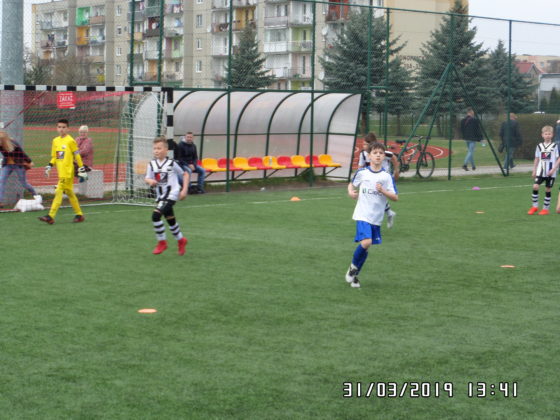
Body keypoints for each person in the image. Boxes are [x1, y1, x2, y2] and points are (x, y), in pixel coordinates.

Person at [345, 142, 398, 288]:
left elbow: (395, 197)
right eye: (375, 153)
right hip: (363, 214)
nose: (378, 155)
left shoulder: (386, 177)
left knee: (366, 248)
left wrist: (383, 191)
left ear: (384, 157)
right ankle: (352, 267)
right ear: (369, 156)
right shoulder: (362, 173)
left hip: (377, 218)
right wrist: (350, 192)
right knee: (366, 242)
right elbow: (351, 184)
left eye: (381, 153)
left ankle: (355, 276)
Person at [38, 119, 88, 224]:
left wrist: (81, 168)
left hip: (68, 172)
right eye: (59, 127)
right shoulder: (55, 141)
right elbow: (56, 156)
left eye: (64, 127)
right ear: (57, 128)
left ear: (68, 129)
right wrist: (49, 166)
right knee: (70, 193)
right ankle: (79, 215)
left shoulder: (70, 141)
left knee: (58, 191)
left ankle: (50, 216)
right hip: (61, 172)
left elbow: (77, 155)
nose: (61, 129)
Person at [145, 136, 189, 255]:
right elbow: (147, 178)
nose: (156, 151)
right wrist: (150, 181)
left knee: (155, 216)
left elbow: (185, 174)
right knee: (170, 220)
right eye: (155, 148)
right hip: (160, 196)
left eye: (159, 148)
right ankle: (181, 240)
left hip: (171, 194)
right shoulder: (151, 164)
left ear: (166, 150)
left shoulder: (171, 163)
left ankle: (162, 242)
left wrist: (184, 190)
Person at [360, 132, 399, 228]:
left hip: (385, 178)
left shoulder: (381, 153)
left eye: (365, 144)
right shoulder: (363, 154)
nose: (363, 146)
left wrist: (396, 170)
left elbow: (394, 158)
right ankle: (388, 213)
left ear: (371, 144)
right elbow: (360, 167)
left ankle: (385, 214)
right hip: (372, 178)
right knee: (376, 196)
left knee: (379, 195)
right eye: (363, 144)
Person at [0, 130, 39, 208]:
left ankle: (36, 195)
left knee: (24, 183)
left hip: (18, 164)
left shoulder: (13, 143)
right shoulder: (1, 145)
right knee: (1, 180)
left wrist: (29, 162)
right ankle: (0, 201)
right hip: (7, 165)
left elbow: (22, 153)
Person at [528, 126, 558, 216]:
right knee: (535, 186)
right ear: (542, 135)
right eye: (546, 134)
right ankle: (534, 206)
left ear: (552, 135)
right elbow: (537, 158)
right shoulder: (539, 146)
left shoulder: (555, 146)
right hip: (540, 171)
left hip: (550, 172)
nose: (547, 135)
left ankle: (545, 209)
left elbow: (559, 158)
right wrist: (534, 170)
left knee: (548, 189)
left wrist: (553, 169)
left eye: (549, 134)